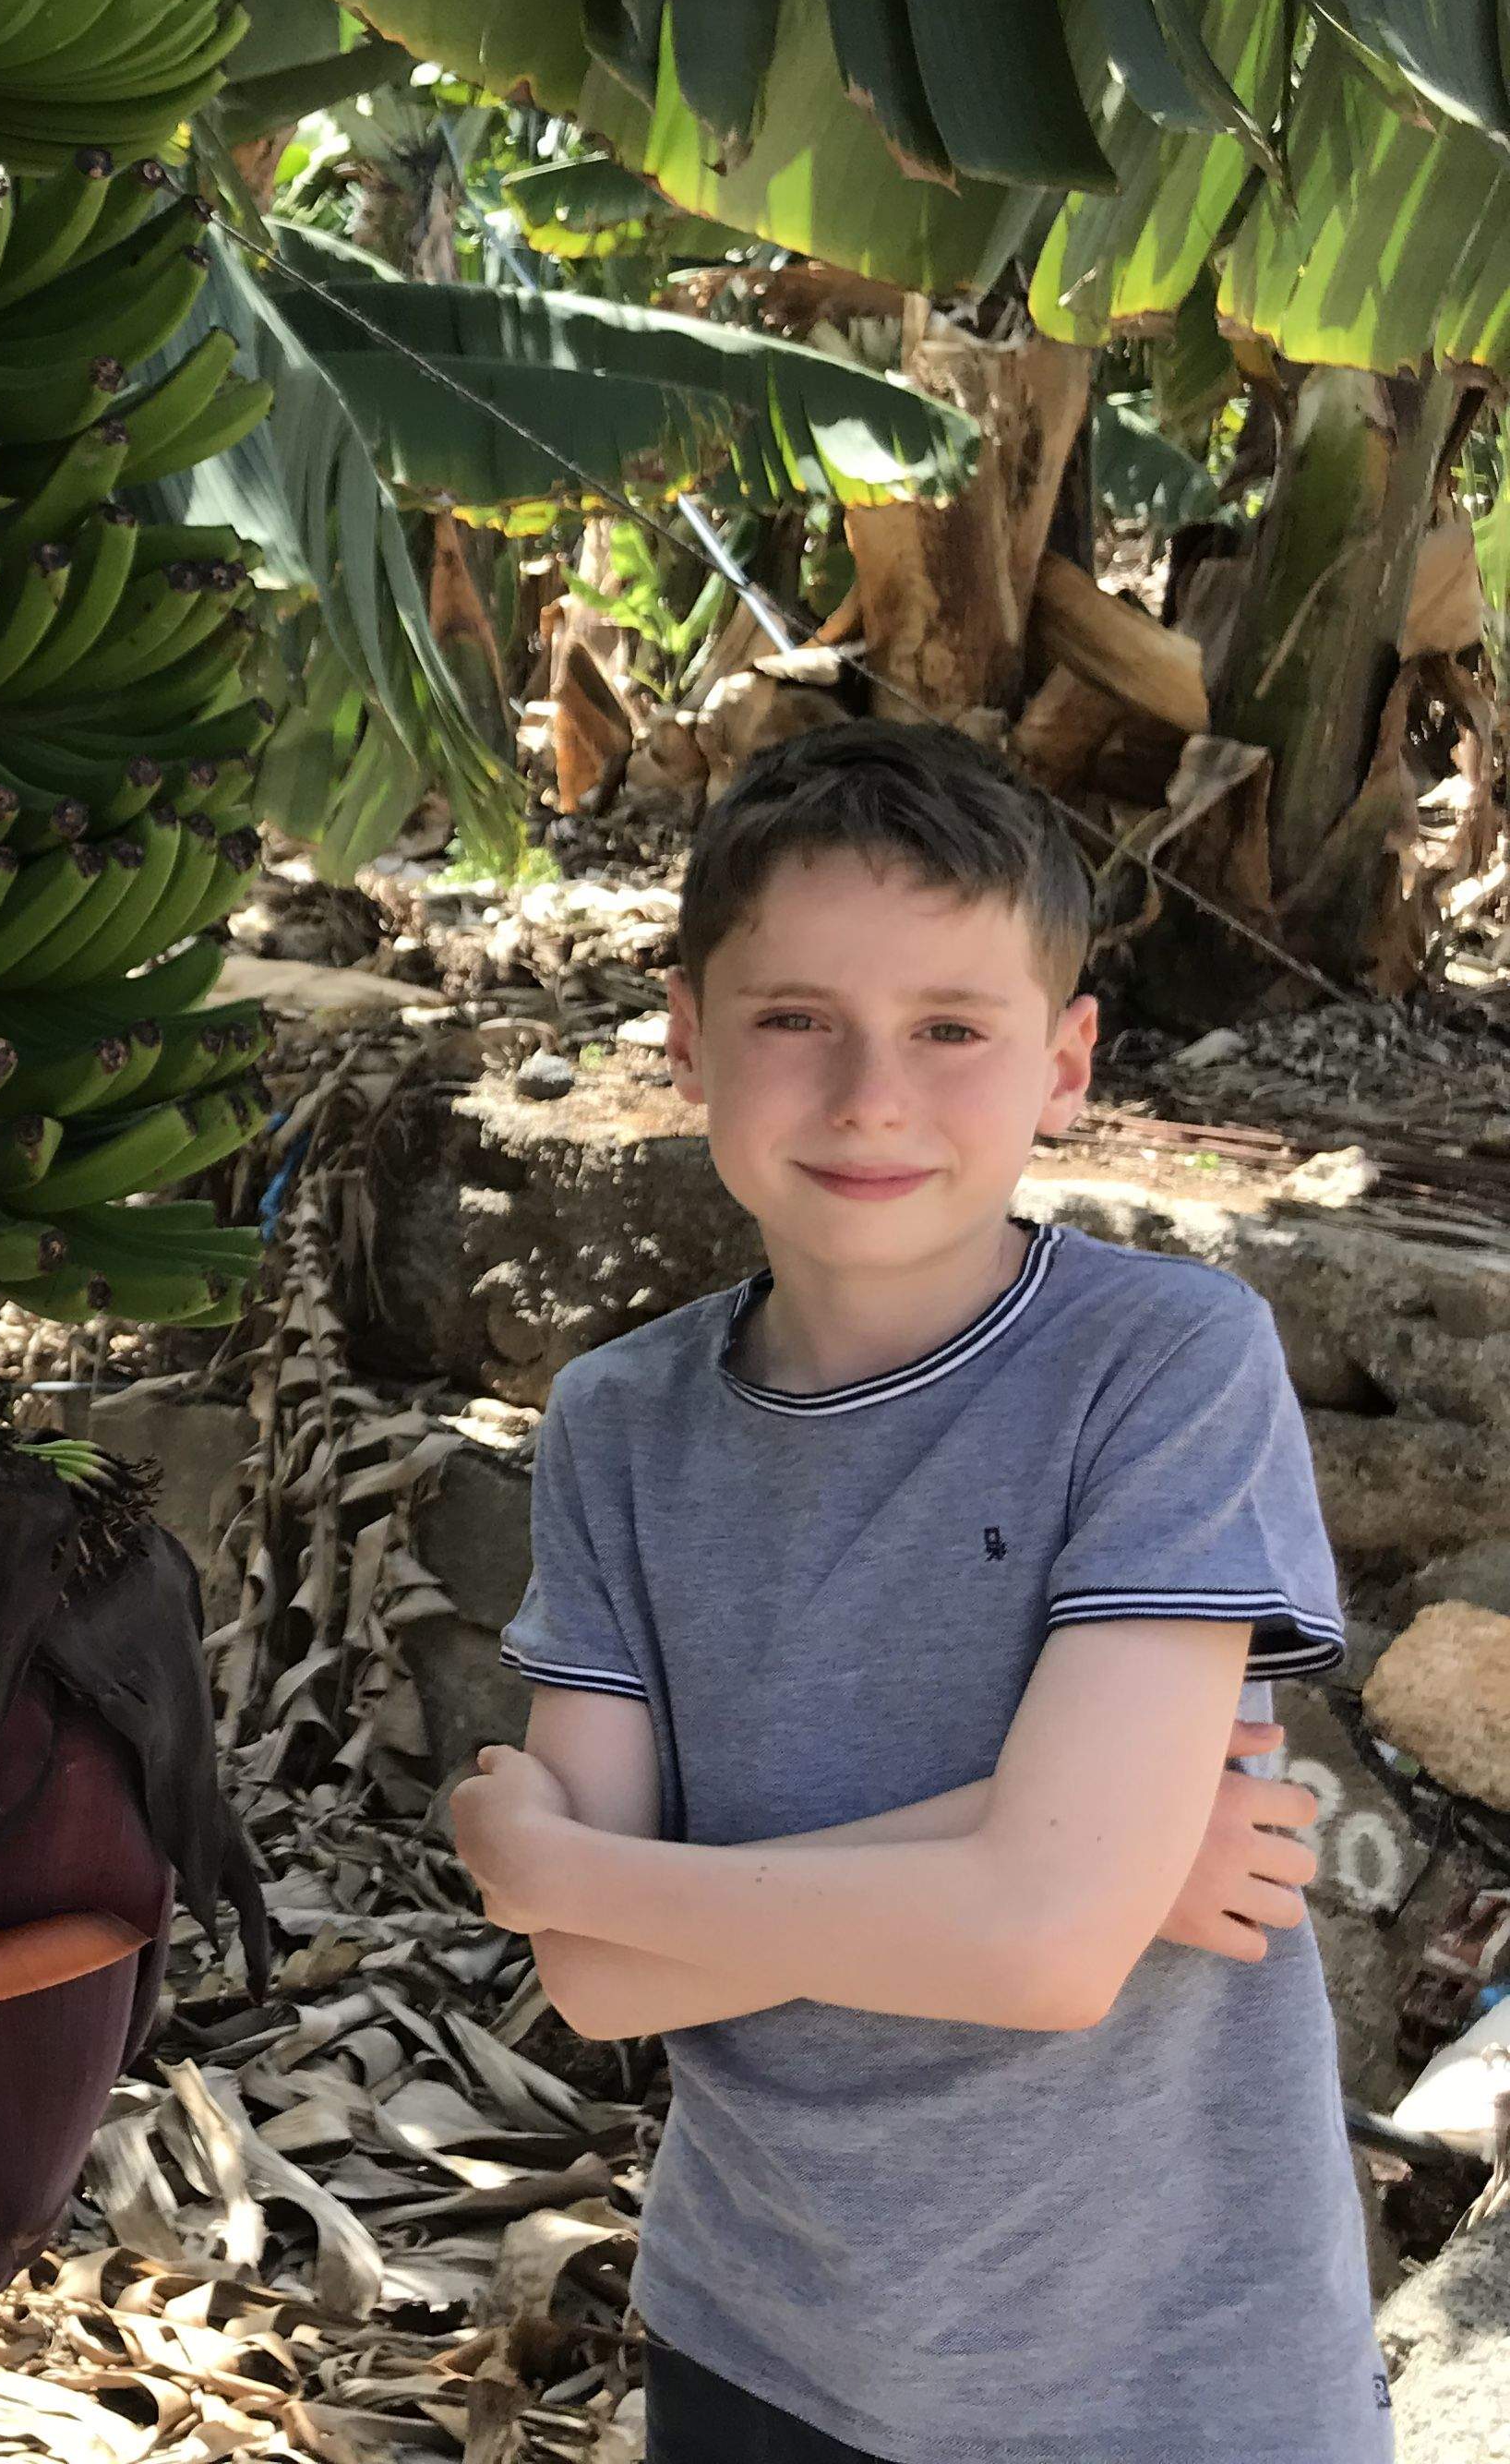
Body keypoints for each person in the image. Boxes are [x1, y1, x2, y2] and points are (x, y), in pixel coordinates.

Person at [447, 719, 1390, 2463]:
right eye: (796, 1019)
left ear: (1067, 1063)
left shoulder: (1166, 1362)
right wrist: (1071, 1844)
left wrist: (586, 1862)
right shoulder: (621, 1423)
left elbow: (1035, 1951)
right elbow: (594, 1976)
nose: (873, 1093)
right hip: (764, 2344)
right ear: (687, 1045)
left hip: (1167, 2374)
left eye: (952, 1029)